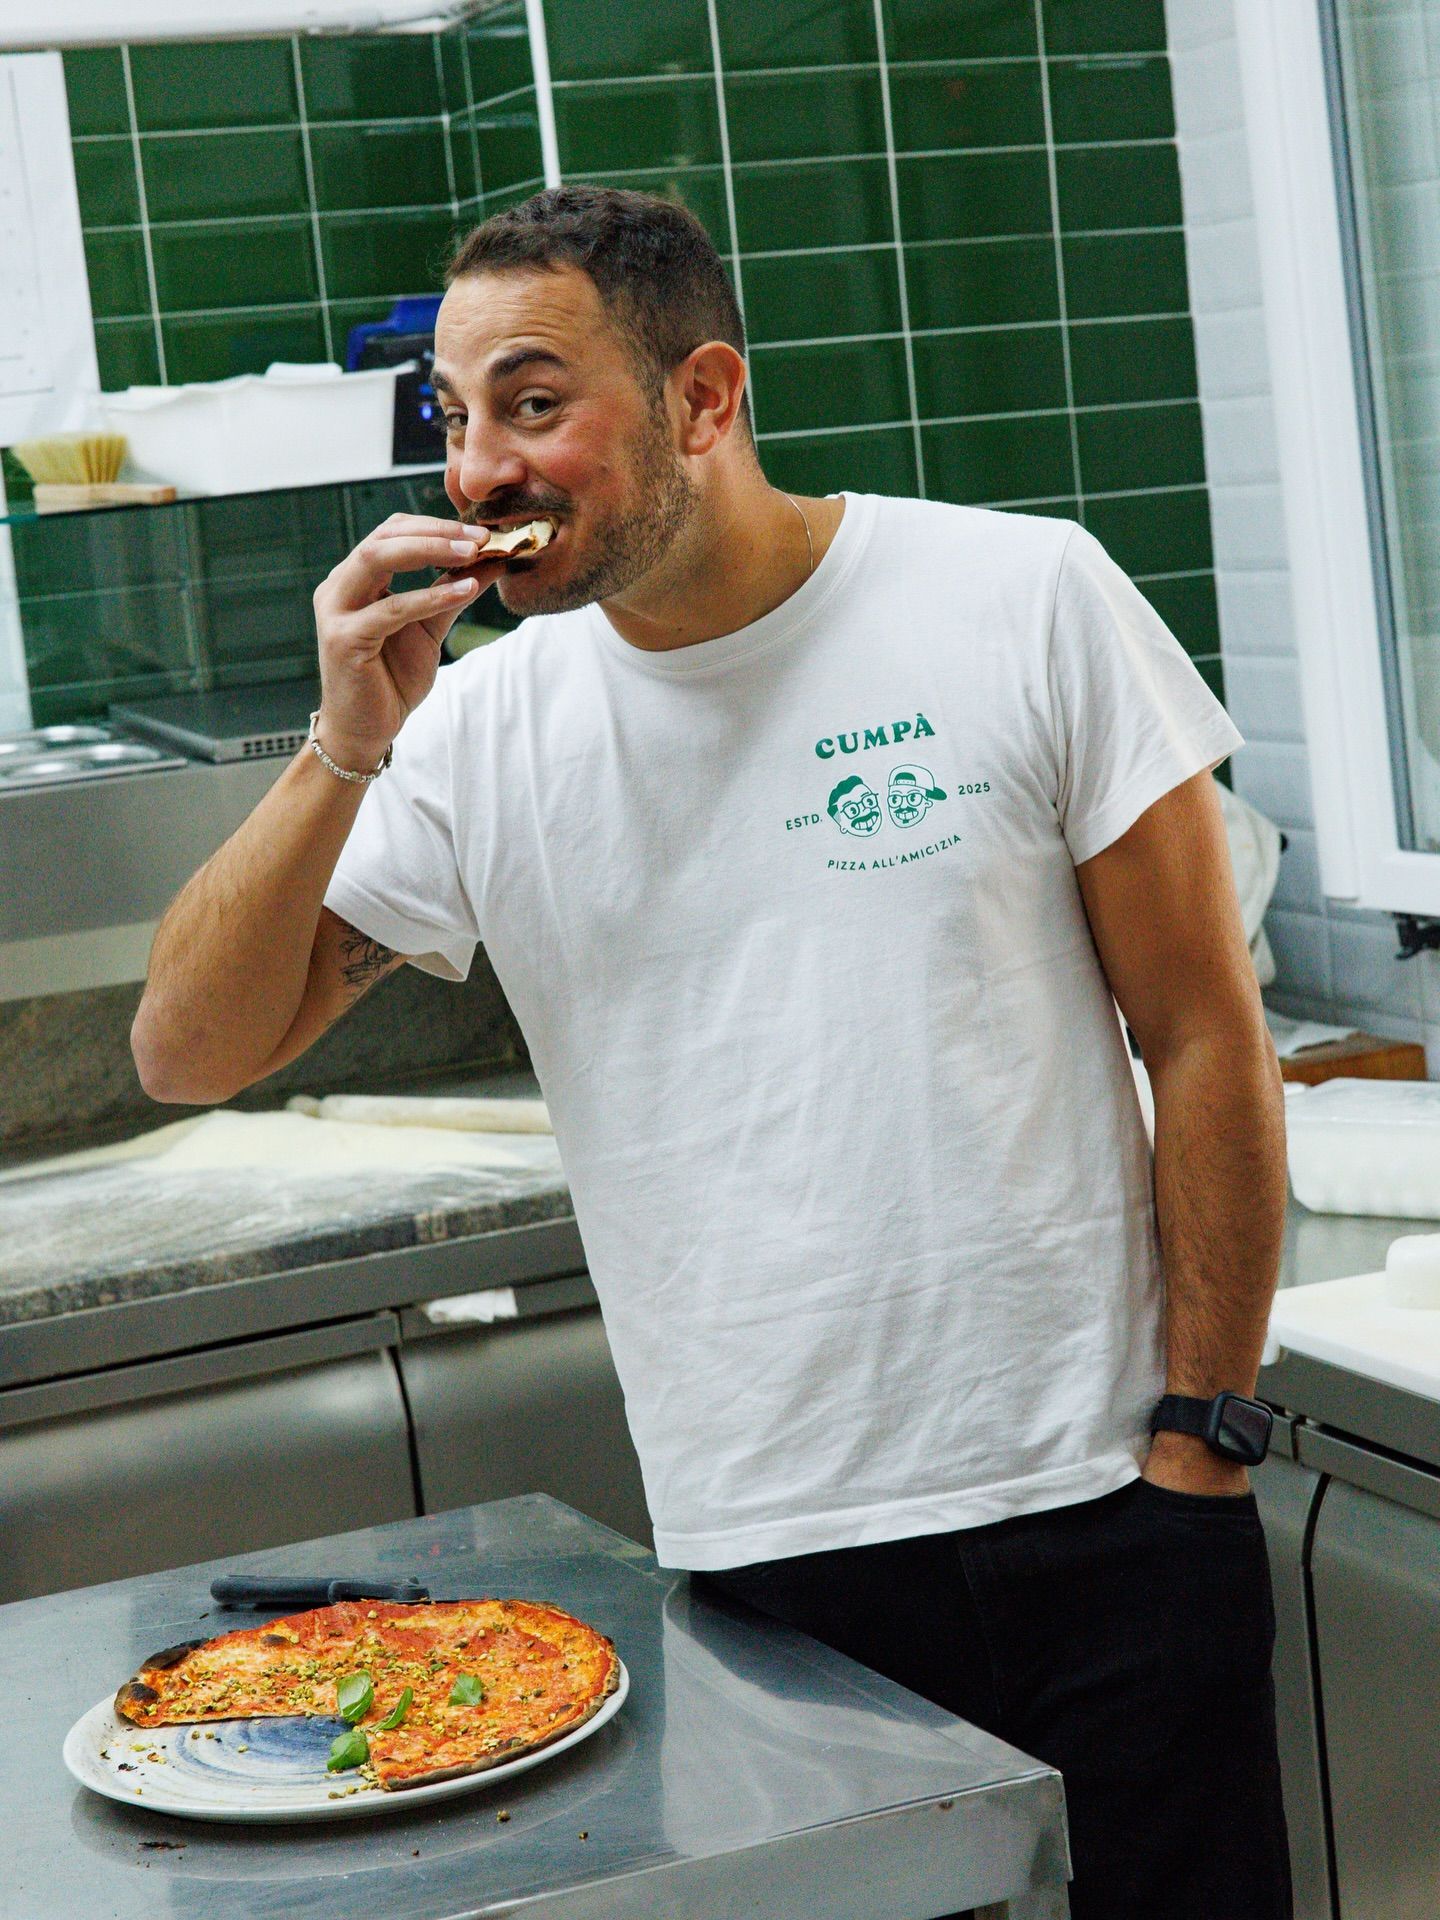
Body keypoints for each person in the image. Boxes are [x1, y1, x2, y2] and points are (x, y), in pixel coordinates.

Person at [131, 185, 1291, 1919]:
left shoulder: (1020, 595)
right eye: (456, 418)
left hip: (1101, 1509)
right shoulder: (488, 734)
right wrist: (342, 745)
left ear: (703, 398)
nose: (478, 471)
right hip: (765, 1560)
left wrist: (1199, 1440)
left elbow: (1203, 1032)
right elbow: (185, 1050)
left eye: (534, 403)